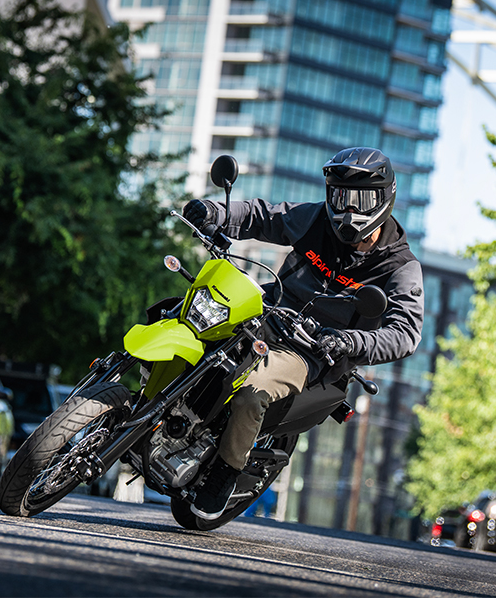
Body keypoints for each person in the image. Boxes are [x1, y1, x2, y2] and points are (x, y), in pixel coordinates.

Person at [181, 146, 425, 520]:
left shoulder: (400, 267)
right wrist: (216, 211)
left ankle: (224, 474)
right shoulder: (315, 219)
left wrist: (350, 340)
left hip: (312, 350)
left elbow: (405, 333)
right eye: (340, 196)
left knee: (252, 395)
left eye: (361, 199)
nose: (349, 209)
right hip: (268, 310)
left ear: (385, 197)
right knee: (183, 312)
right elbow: (263, 217)